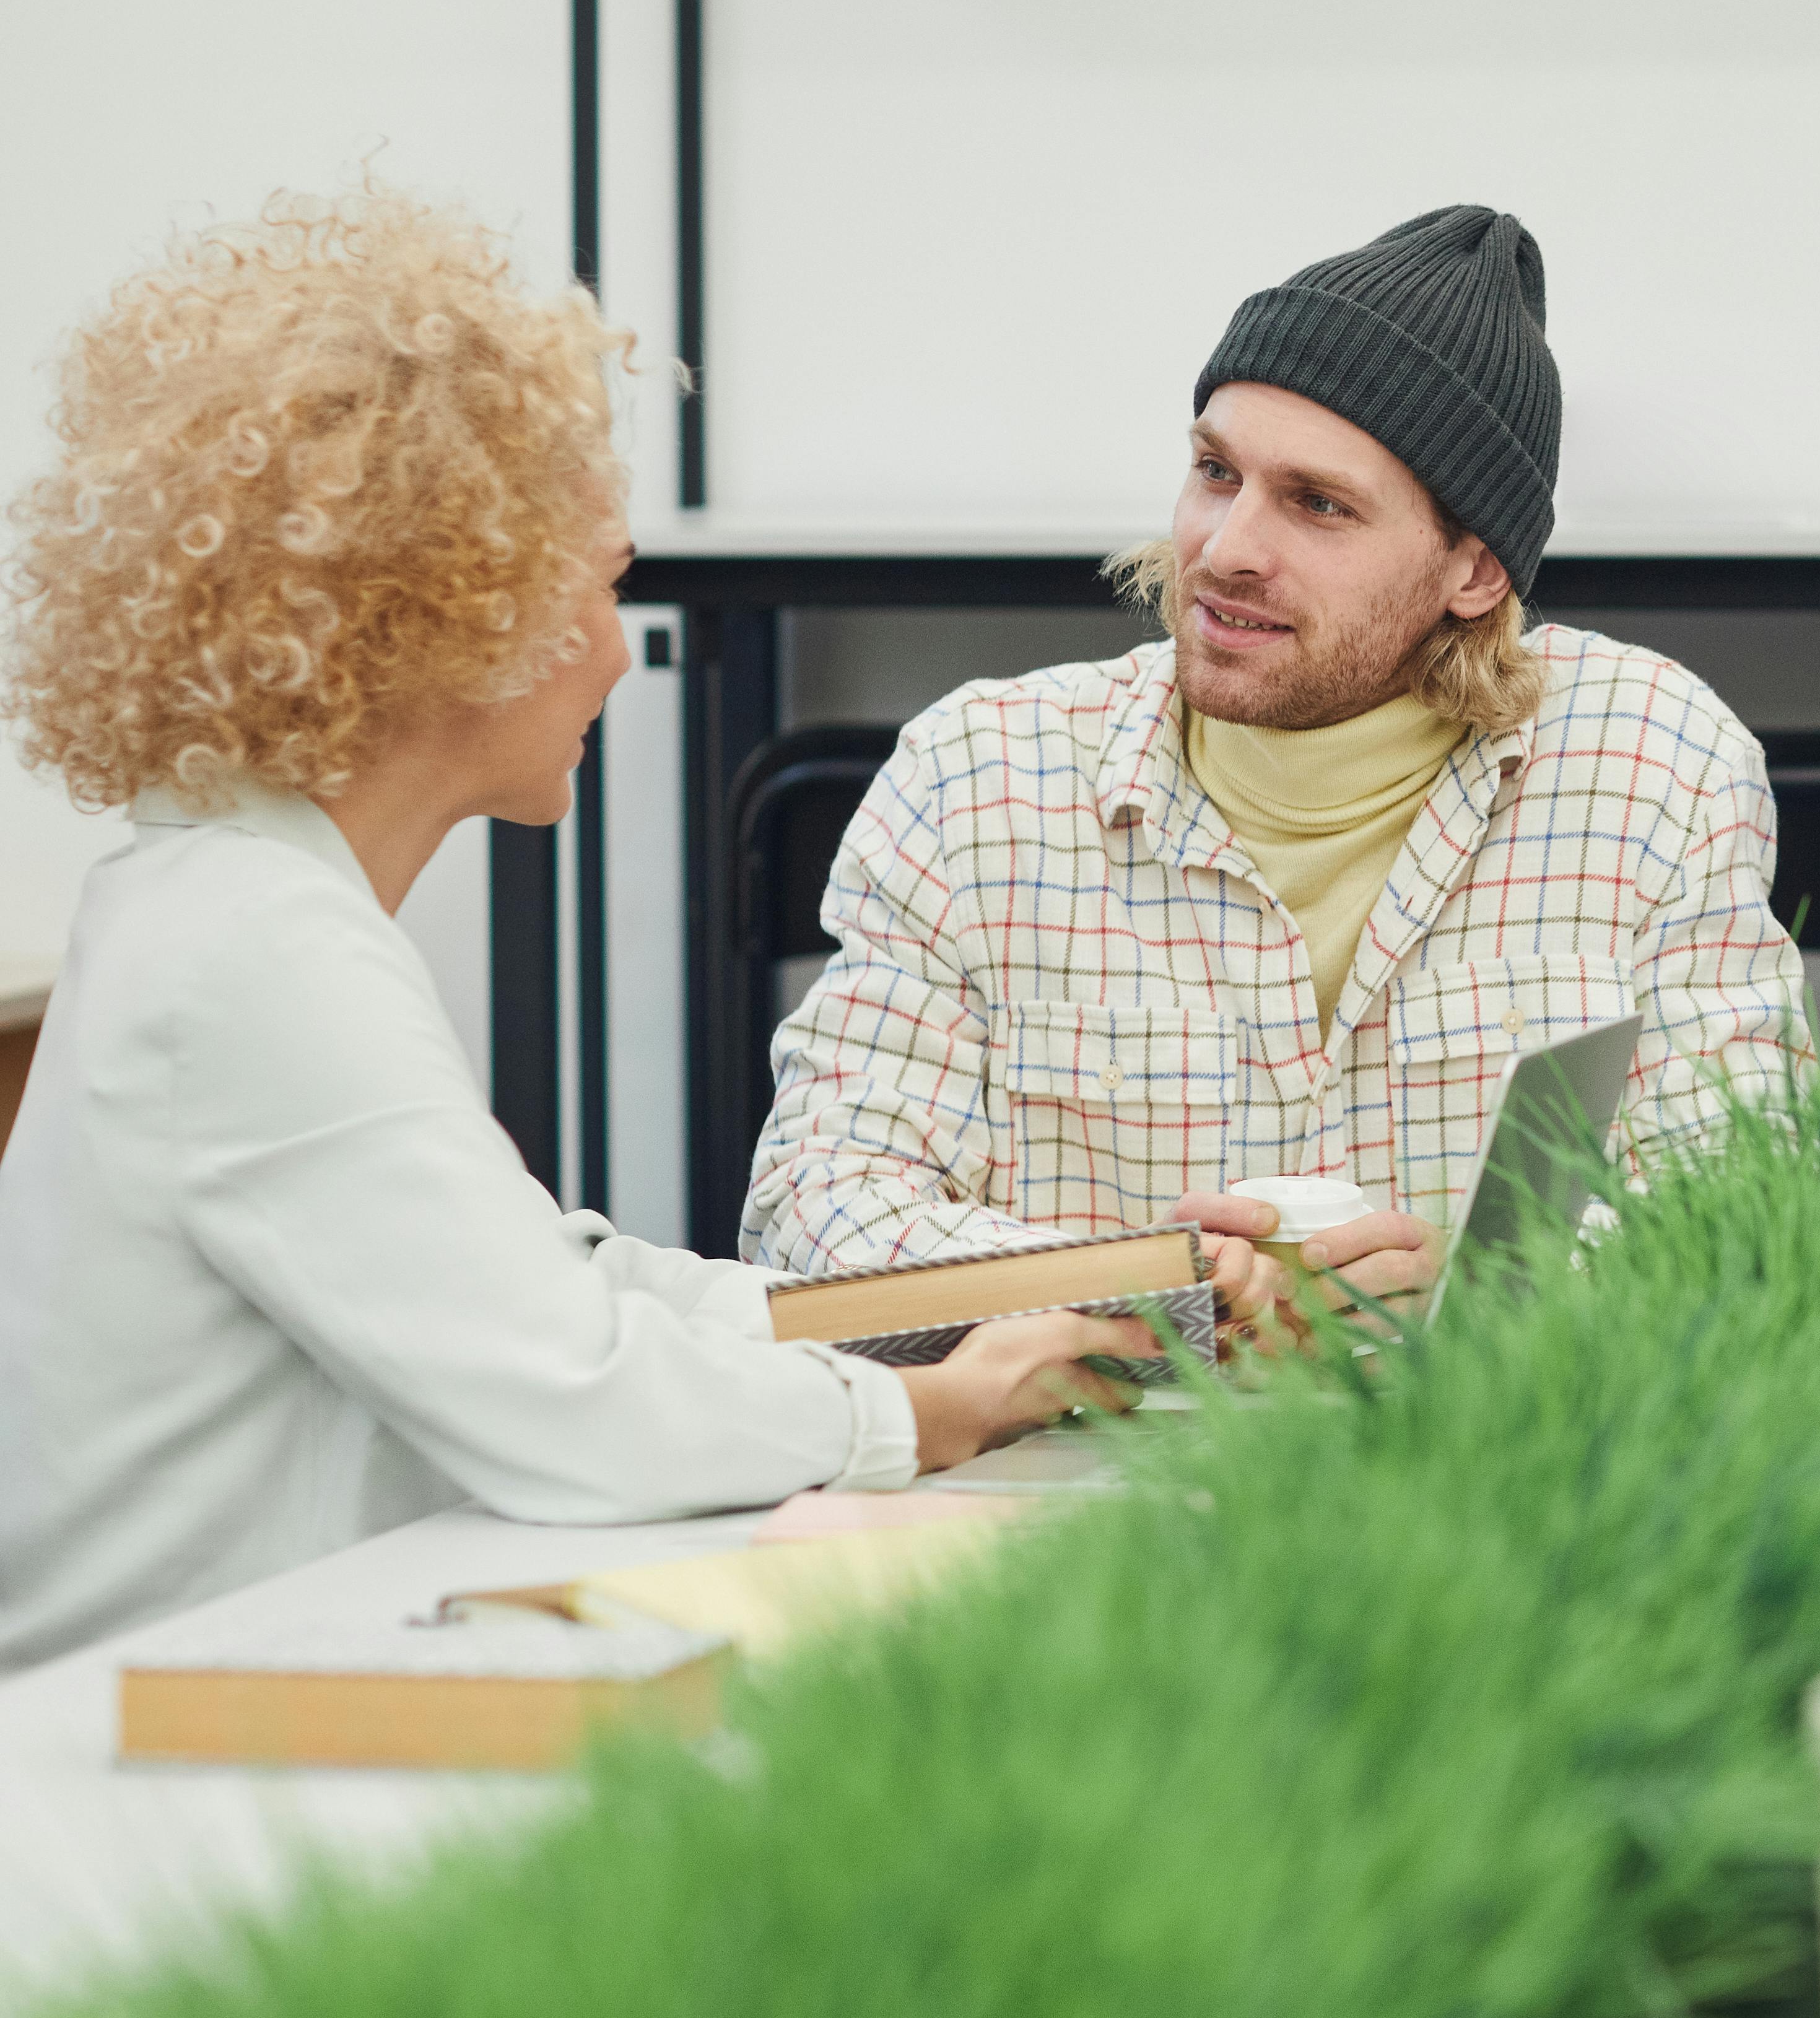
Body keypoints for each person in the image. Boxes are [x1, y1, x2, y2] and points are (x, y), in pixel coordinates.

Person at [0, 190, 1180, 1671]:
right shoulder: (258, 952)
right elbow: (577, 1394)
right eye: (608, 586)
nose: (623, 653)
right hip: (122, 1736)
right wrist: (932, 1409)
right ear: (455, 606)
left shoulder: (224, 900)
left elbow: (571, 1284)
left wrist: (1040, 1291)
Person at [744, 207, 1808, 1302]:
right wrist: (1145, 1292)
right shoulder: (976, 780)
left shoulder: (1655, 768)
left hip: (1501, 1414)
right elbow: (811, 1212)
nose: (1226, 548)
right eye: (1216, 471)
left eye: (1319, 504)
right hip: (1083, 1415)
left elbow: (1745, 1221)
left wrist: (1487, 1298)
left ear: (1476, 571)